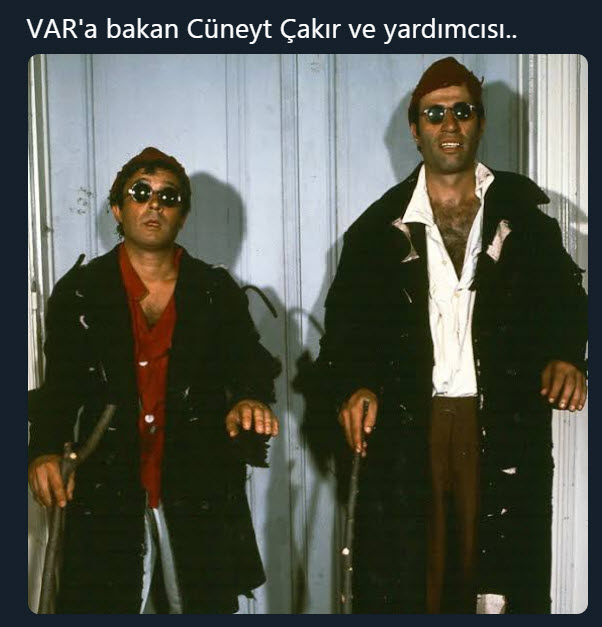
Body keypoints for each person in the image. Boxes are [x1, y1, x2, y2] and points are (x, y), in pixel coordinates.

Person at [317, 57, 587, 613]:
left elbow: (565, 297)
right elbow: (345, 332)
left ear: (480, 122)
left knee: (502, 585)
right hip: (407, 431)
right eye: (434, 113)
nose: (449, 125)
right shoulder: (375, 230)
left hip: (504, 425)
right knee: (408, 584)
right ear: (415, 128)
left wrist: (566, 355)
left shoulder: (524, 218)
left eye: (462, 111)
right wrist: (356, 385)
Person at [28, 147, 281, 613]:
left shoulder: (214, 290)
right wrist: (43, 450)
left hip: (195, 485)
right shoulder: (81, 291)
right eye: (141, 192)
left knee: (201, 603)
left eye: (169, 197)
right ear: (117, 209)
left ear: (182, 216)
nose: (154, 205)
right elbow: (60, 387)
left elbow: (249, 365)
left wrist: (249, 399)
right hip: (108, 488)